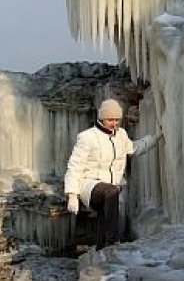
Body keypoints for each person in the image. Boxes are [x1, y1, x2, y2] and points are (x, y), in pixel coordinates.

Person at [64, 98, 161, 248]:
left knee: (106, 211)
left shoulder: (121, 135)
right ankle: (113, 241)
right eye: (110, 119)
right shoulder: (87, 137)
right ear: (102, 118)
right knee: (111, 192)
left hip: (110, 188)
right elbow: (74, 166)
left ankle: (102, 250)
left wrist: (155, 138)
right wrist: (72, 194)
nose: (114, 123)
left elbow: (134, 148)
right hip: (89, 186)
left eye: (117, 120)